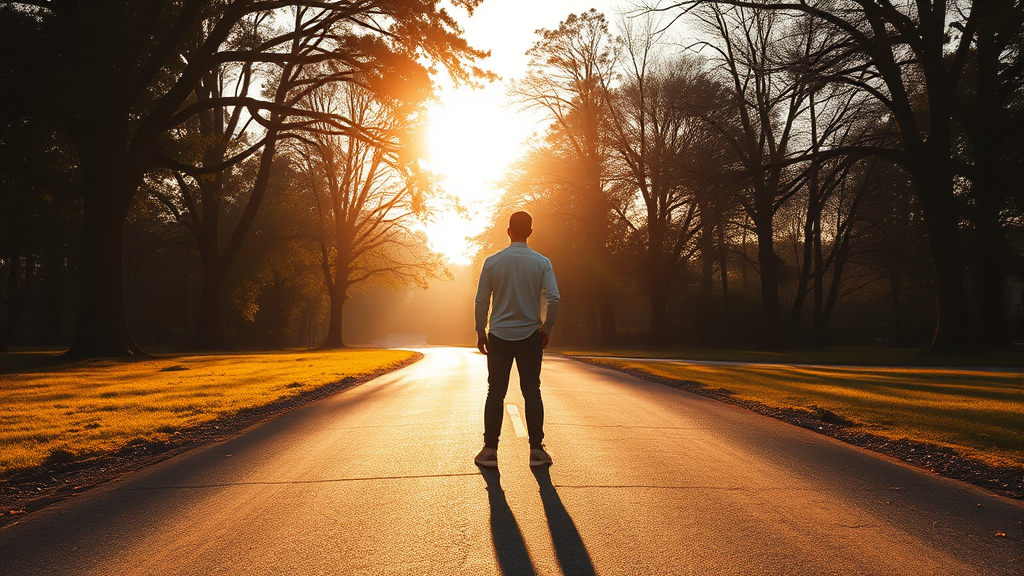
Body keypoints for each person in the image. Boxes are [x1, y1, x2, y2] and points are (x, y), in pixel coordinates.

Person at [473, 211, 560, 468]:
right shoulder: (542, 262)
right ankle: (536, 451)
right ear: (530, 232)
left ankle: (490, 451)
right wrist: (547, 328)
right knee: (532, 391)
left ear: (508, 230)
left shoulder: (492, 262)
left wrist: (481, 331)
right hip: (530, 336)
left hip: (499, 335)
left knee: (495, 392)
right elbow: (554, 298)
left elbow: (481, 300)